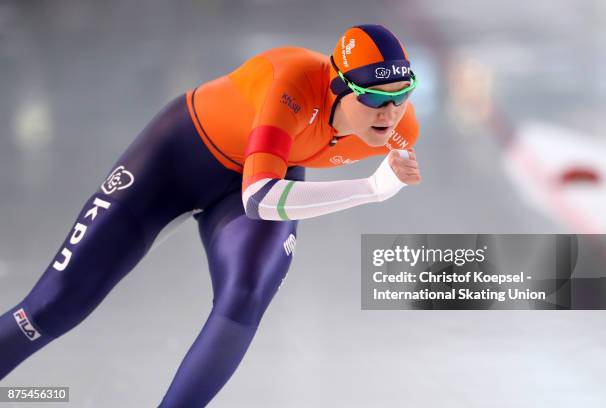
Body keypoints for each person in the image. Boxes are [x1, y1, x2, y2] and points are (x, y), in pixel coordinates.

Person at [0, 24, 421, 406]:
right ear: (337, 87)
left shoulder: (402, 124)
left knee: (245, 297)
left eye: (402, 95)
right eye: (374, 98)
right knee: (52, 306)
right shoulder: (291, 84)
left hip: (266, 172)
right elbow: (259, 197)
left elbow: (264, 189)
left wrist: (397, 168)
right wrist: (371, 189)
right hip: (178, 159)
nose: (390, 112)